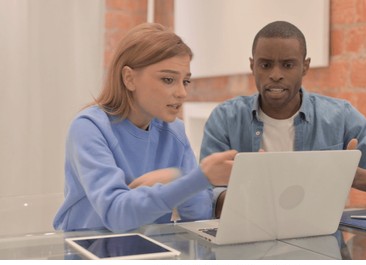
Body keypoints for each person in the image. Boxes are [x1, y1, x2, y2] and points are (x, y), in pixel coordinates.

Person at [200, 21, 366, 218]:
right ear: (252, 65)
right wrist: (246, 195)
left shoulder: (340, 117)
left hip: (320, 244)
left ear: (304, 66)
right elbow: (204, 198)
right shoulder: (225, 118)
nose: (276, 74)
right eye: (265, 64)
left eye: (287, 65)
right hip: (245, 242)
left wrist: (351, 175)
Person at [53, 23, 237, 232]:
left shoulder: (174, 132)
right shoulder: (89, 128)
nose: (182, 93)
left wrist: (177, 179)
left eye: (185, 81)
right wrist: (195, 178)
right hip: (88, 254)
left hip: (149, 253)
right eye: (168, 79)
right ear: (129, 78)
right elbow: (116, 214)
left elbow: (198, 215)